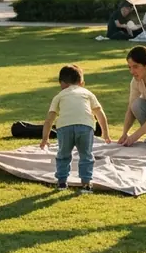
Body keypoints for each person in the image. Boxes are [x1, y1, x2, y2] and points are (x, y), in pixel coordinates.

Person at [39, 64, 110, 192]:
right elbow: (100, 114)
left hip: (64, 128)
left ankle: (61, 182)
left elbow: (49, 120)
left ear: (61, 83)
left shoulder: (59, 96)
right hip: (85, 127)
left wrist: (45, 138)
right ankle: (86, 184)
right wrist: (105, 133)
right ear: (82, 82)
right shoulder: (87, 93)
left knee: (63, 155)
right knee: (86, 155)